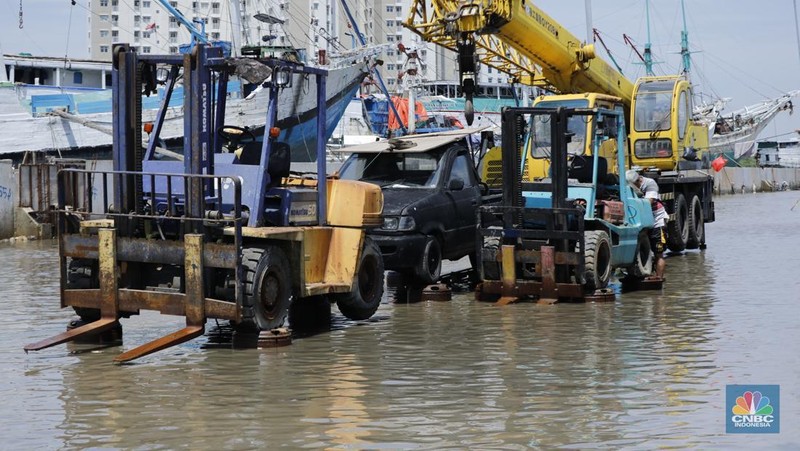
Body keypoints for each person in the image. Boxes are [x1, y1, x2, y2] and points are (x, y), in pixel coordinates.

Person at [626, 169, 668, 279]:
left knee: (658, 253)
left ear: (639, 180)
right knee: (644, 250)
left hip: (656, 221)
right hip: (642, 221)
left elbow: (649, 202)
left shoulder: (650, 183)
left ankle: (659, 278)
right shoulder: (631, 185)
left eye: (634, 185)